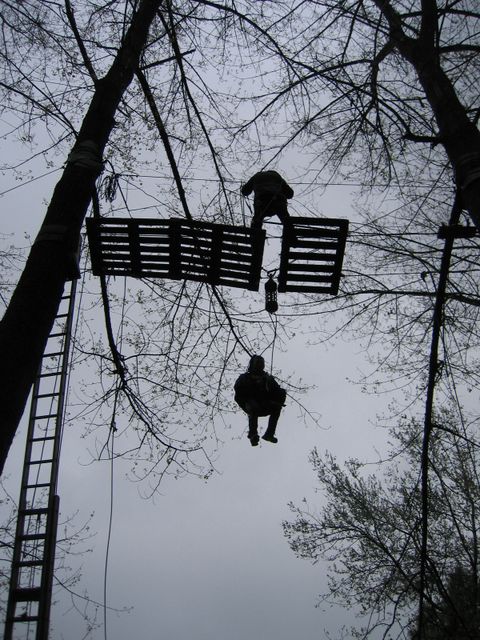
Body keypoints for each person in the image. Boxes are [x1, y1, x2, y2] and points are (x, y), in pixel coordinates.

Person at [234, 355, 287, 446]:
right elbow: (238, 390)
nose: (260, 365)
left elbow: (277, 390)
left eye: (261, 363)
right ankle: (253, 434)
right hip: (250, 403)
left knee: (276, 407)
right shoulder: (245, 377)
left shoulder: (267, 378)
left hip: (264, 404)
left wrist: (280, 395)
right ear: (253, 364)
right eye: (257, 363)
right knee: (253, 406)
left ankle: (269, 434)